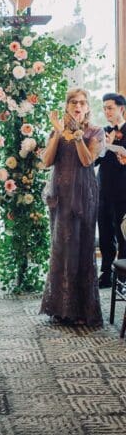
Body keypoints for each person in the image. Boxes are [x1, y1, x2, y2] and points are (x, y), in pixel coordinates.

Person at [39, 87, 104, 326]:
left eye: (82, 102)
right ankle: (59, 307)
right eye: (73, 102)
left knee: (81, 248)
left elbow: (88, 161)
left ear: (87, 107)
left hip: (83, 197)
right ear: (67, 106)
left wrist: (78, 137)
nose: (78, 106)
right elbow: (46, 161)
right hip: (60, 197)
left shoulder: (96, 131)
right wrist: (58, 133)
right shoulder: (57, 130)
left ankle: (81, 309)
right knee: (60, 248)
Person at [97, 93, 126, 288]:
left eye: (110, 107)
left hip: (123, 192)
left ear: (121, 109)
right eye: (104, 108)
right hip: (103, 191)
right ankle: (106, 273)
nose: (106, 111)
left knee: (122, 234)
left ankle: (122, 277)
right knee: (105, 234)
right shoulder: (103, 132)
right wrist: (102, 147)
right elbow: (94, 161)